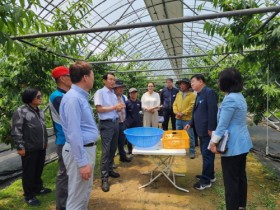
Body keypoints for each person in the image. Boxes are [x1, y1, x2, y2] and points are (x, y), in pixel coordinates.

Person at [209, 68, 253, 210]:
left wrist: (213, 142)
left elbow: (222, 125)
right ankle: (241, 206)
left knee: (231, 182)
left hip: (232, 145)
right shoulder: (240, 96)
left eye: (219, 80)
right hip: (243, 143)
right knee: (240, 177)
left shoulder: (230, 99)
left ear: (225, 83)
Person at [60, 61, 98, 209]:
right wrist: (82, 163)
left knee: (83, 193)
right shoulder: (73, 99)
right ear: (85, 78)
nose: (94, 78)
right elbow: (74, 133)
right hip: (80, 151)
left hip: (85, 149)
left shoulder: (79, 96)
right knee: (77, 198)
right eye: (92, 75)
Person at [11, 87, 51, 206]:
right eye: (38, 96)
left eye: (40, 96)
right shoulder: (21, 111)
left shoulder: (40, 111)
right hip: (29, 148)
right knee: (29, 172)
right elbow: (16, 130)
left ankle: (38, 188)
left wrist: (45, 141)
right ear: (30, 98)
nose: (41, 98)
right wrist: (20, 146)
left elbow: (42, 127)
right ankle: (29, 195)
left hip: (41, 146)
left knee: (38, 169)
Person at [184, 74, 218, 190]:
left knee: (207, 155)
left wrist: (211, 128)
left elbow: (213, 111)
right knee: (206, 154)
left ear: (201, 81)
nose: (191, 84)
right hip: (200, 130)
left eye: (193, 81)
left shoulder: (209, 93)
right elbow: (195, 112)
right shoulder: (198, 95)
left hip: (207, 131)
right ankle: (210, 175)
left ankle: (206, 181)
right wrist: (190, 123)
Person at [94, 73, 125, 192]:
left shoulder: (113, 94)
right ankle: (104, 178)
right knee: (106, 151)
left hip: (115, 122)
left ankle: (110, 169)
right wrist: (114, 108)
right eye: (110, 79)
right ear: (104, 81)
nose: (113, 81)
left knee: (113, 148)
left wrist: (119, 107)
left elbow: (114, 108)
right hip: (106, 124)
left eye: (114, 79)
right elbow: (99, 109)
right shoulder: (100, 93)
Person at [49, 66, 72, 210]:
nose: (72, 79)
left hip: (69, 140)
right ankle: (62, 206)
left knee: (70, 175)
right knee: (64, 175)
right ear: (63, 78)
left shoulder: (65, 95)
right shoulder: (58, 96)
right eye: (69, 76)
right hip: (64, 142)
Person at [173, 78, 196, 159]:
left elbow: (192, 106)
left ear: (187, 85)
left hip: (187, 119)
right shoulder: (178, 94)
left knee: (190, 136)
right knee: (178, 135)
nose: (181, 86)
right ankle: (179, 150)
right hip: (178, 119)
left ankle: (192, 151)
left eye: (183, 84)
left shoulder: (192, 95)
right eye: (180, 84)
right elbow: (174, 105)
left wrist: (183, 113)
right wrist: (177, 112)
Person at [114, 79, 131, 162]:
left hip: (122, 122)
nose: (121, 89)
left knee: (122, 141)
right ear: (115, 88)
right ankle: (111, 162)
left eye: (122, 87)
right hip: (114, 123)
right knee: (113, 143)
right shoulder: (112, 97)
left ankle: (122, 156)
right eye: (119, 87)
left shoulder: (123, 97)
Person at [125, 88, 142, 155]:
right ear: (129, 94)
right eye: (132, 93)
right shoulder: (127, 103)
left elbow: (140, 112)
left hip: (137, 122)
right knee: (130, 137)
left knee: (138, 137)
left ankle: (138, 150)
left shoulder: (139, 102)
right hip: (130, 123)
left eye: (135, 92)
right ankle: (130, 151)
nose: (134, 94)